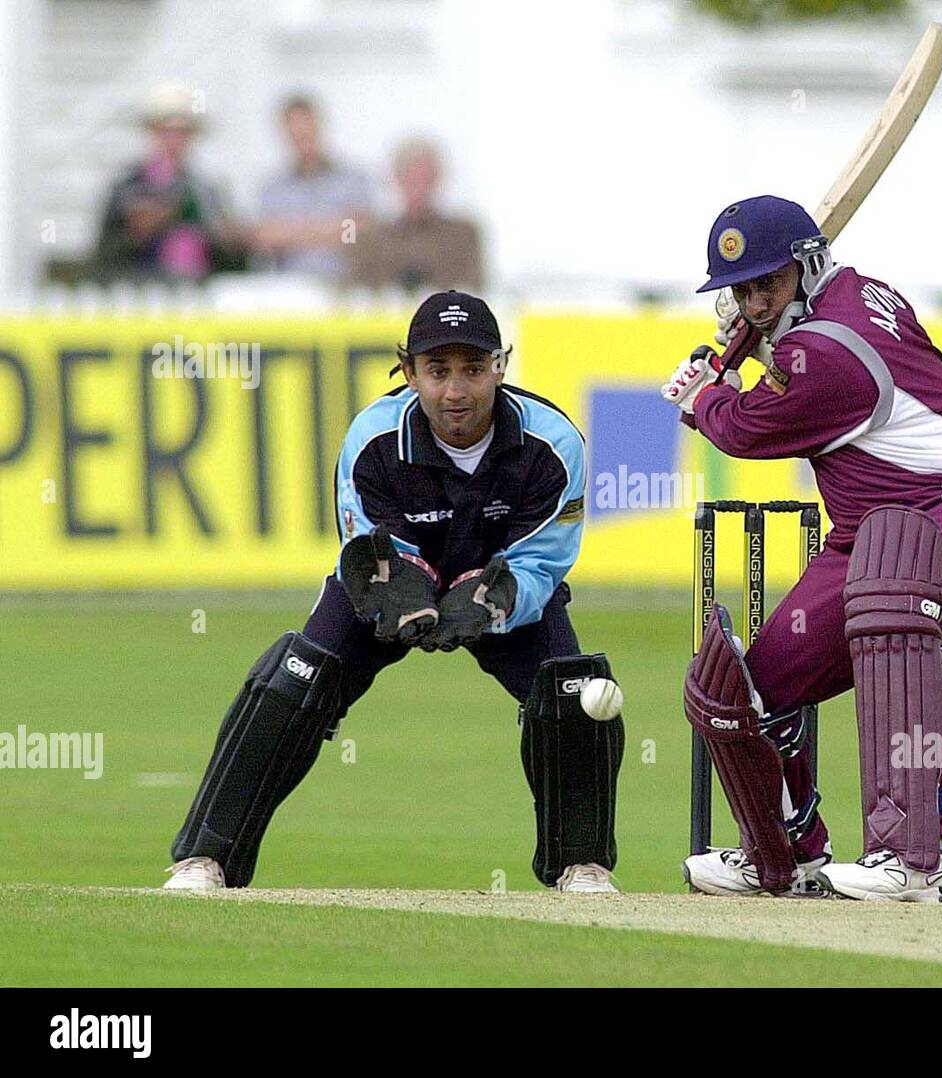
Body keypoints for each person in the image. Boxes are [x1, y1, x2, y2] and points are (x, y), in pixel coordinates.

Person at [663, 196, 942, 901]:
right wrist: (757, 346)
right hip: (874, 532)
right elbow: (790, 363)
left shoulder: (826, 352)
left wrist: (706, 394)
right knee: (740, 692)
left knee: (898, 605)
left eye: (770, 284)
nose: (754, 303)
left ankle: (923, 858)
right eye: (743, 290)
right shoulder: (847, 296)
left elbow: (748, 430)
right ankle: (784, 856)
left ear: (808, 266)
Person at [164, 290, 624, 894]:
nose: (455, 391)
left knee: (575, 691)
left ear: (501, 366)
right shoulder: (374, 438)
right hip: (390, 586)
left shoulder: (554, 444)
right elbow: (367, 551)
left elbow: (544, 558)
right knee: (295, 679)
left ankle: (581, 865)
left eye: (472, 369)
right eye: (437, 371)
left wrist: (494, 600)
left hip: (500, 586)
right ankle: (206, 858)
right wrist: (406, 596)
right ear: (408, 372)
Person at [93, 83, 243, 282]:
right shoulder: (126, 189)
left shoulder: (206, 190)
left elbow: (233, 260)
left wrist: (229, 240)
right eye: (166, 131)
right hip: (144, 294)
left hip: (199, 293)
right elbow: (105, 255)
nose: (174, 140)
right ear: (153, 133)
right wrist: (139, 231)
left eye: (182, 132)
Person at [252, 95, 372, 280]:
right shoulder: (272, 187)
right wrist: (331, 227)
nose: (302, 135)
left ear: (319, 126)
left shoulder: (353, 179)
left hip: (344, 287)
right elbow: (266, 237)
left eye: (306, 128)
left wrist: (292, 231)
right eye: (295, 130)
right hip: (290, 288)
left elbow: (357, 232)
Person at [348, 138, 484, 291]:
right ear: (395, 179)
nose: (418, 185)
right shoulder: (370, 238)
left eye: (424, 177)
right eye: (410, 176)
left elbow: (474, 290)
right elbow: (356, 294)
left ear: (438, 179)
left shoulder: (462, 235)